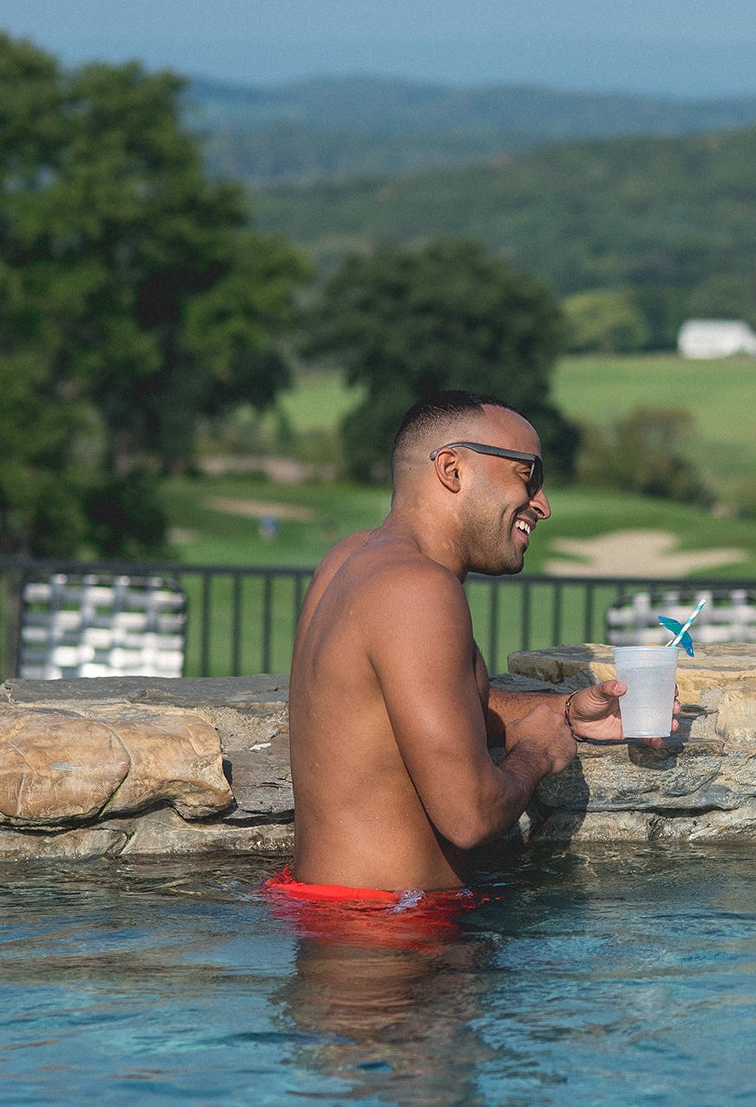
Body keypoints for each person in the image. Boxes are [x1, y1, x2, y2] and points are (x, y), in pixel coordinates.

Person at [277, 389, 669, 910]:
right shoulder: (417, 590)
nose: (543, 505)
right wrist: (534, 753)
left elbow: (429, 705)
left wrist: (565, 711)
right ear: (452, 469)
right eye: (527, 475)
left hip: (329, 908)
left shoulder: (351, 558)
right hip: (387, 940)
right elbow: (470, 816)